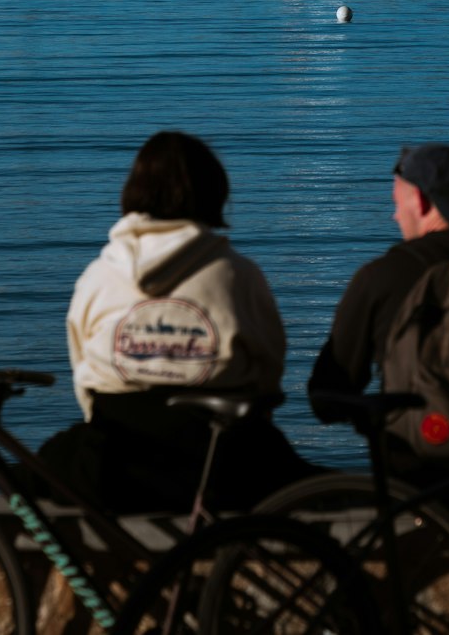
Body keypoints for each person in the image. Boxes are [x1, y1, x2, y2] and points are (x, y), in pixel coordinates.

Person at [38, 130, 315, 513]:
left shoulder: (99, 275)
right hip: (223, 467)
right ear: (215, 191)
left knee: (32, 471)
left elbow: (82, 370)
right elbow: (269, 366)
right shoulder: (237, 274)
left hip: (112, 466)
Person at [308, 143, 449, 485]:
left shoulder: (380, 277)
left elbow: (325, 397)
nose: (394, 216)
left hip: (414, 466)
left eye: (396, 203)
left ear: (421, 202)